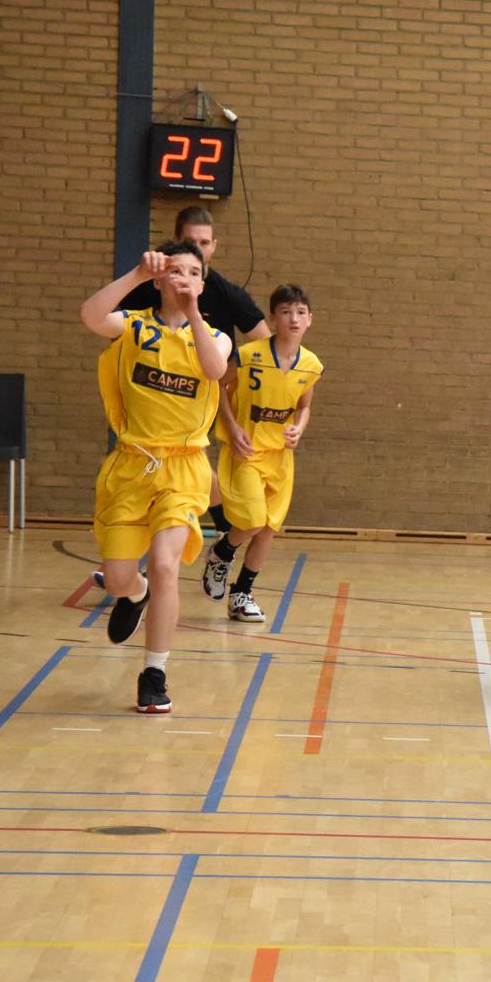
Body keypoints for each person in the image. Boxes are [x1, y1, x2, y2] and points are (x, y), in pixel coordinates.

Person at [80, 241, 231, 714]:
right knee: (119, 579)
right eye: (175, 270)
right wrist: (135, 276)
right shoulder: (134, 326)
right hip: (132, 465)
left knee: (166, 564)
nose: (184, 277)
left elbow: (215, 369)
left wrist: (193, 312)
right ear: (161, 278)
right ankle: (135, 593)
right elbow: (90, 316)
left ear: (202, 283)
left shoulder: (216, 336)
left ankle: (154, 674)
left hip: (183, 469)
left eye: (193, 272)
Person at [120, 207, 270, 541]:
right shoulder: (153, 285)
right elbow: (115, 322)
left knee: (189, 459)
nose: (198, 248)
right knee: (173, 462)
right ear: (177, 241)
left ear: (214, 246)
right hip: (155, 389)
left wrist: (230, 373)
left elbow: (265, 343)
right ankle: (149, 528)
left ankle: (216, 525)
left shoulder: (226, 293)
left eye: (204, 242)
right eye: (190, 241)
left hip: (200, 387)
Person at [201, 284, 323, 623]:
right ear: (273, 318)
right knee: (252, 521)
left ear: (309, 319)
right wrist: (231, 426)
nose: (293, 318)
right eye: (286, 312)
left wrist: (299, 427)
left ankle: (241, 595)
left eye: (300, 312)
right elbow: (217, 385)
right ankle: (222, 552)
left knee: (268, 528)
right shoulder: (248, 354)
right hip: (247, 451)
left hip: (280, 457)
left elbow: (304, 406)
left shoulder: (311, 365)